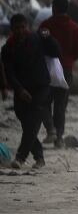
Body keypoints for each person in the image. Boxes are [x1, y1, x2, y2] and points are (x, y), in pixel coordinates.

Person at [2, 14, 60, 170]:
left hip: (41, 87)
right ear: (12, 29)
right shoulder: (8, 48)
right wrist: (19, 90)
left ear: (27, 26)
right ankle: (39, 157)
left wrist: (48, 37)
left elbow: (55, 51)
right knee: (26, 124)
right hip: (21, 90)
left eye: (23, 27)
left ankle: (20, 157)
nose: (20, 31)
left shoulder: (37, 39)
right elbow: (9, 73)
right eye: (17, 28)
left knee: (33, 121)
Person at [40, 0, 78, 148]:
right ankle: (59, 138)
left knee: (43, 102)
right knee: (60, 105)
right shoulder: (74, 27)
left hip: (47, 69)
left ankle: (50, 129)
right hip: (66, 70)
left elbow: (38, 46)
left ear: (54, 8)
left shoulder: (46, 25)